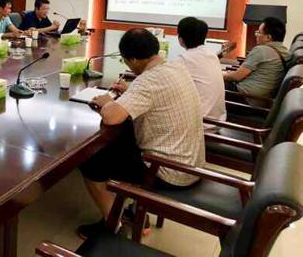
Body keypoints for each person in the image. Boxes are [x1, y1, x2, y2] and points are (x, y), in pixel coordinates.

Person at [77, 28, 204, 239]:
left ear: (134, 59)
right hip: (192, 163)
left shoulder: (148, 81)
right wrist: (130, 91)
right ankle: (135, 210)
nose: (127, 65)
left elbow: (111, 117)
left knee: (90, 159)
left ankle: (112, 224)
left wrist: (107, 102)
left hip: (167, 172)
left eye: (126, 61)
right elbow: (155, 96)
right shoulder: (175, 67)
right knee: (123, 136)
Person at [223, 17, 291, 100]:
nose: (256, 35)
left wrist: (220, 74)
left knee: (212, 80)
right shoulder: (286, 53)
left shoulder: (261, 50)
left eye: (259, 32)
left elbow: (236, 77)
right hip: (263, 98)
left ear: (268, 37)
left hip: (245, 97)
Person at [176, 17, 226, 122]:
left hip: (199, 124)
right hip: (219, 121)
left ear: (180, 39)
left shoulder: (184, 59)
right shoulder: (212, 55)